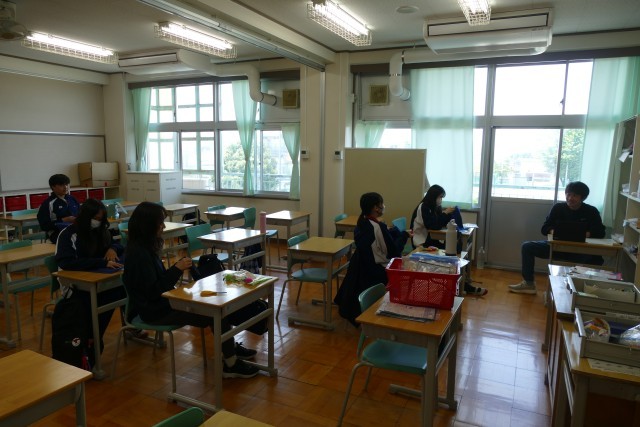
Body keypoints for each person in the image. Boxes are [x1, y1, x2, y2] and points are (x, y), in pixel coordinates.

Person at [122, 201, 259, 379]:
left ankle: (230, 349)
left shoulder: (146, 247)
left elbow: (158, 284)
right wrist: (176, 270)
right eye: (160, 223)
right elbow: (153, 291)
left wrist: (176, 272)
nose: (163, 226)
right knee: (214, 312)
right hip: (154, 311)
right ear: (148, 226)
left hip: (162, 303)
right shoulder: (138, 255)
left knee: (216, 307)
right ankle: (231, 363)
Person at [55, 198, 125, 359]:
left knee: (121, 290)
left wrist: (112, 249)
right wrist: (101, 262)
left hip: (97, 279)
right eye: (96, 218)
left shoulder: (101, 231)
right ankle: (90, 341)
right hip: (73, 285)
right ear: (86, 216)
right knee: (100, 299)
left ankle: (97, 337)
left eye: (101, 219)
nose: (98, 222)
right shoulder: (68, 234)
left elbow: (118, 245)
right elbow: (67, 263)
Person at [510, 181, 606, 294]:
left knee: (596, 258)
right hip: (557, 248)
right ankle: (529, 283)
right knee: (527, 247)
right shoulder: (558, 208)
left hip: (580, 251)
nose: (570, 198)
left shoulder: (591, 211)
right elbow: (544, 228)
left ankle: (588, 290)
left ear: (582, 197)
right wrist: (555, 231)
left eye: (574, 195)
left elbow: (600, 232)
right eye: (568, 194)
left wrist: (582, 234)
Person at [334, 192, 410, 326]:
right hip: (377, 269)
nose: (383, 206)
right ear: (375, 208)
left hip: (363, 267)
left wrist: (388, 231)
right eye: (381, 204)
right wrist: (404, 236)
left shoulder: (362, 222)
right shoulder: (377, 227)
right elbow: (393, 253)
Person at [410, 185, 487, 297]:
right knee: (450, 254)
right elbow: (433, 225)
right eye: (440, 197)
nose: (441, 199)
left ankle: (462, 281)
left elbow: (439, 222)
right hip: (421, 243)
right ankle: (462, 285)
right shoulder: (424, 207)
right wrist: (445, 214)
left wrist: (447, 214)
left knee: (454, 250)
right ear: (434, 196)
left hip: (430, 239)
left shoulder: (434, 207)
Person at [37, 173, 81, 244]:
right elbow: (44, 226)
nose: (66, 187)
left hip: (75, 230)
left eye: (67, 184)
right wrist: (64, 220)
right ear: (53, 187)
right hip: (57, 233)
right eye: (61, 185)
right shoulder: (48, 204)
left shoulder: (72, 199)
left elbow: (81, 214)